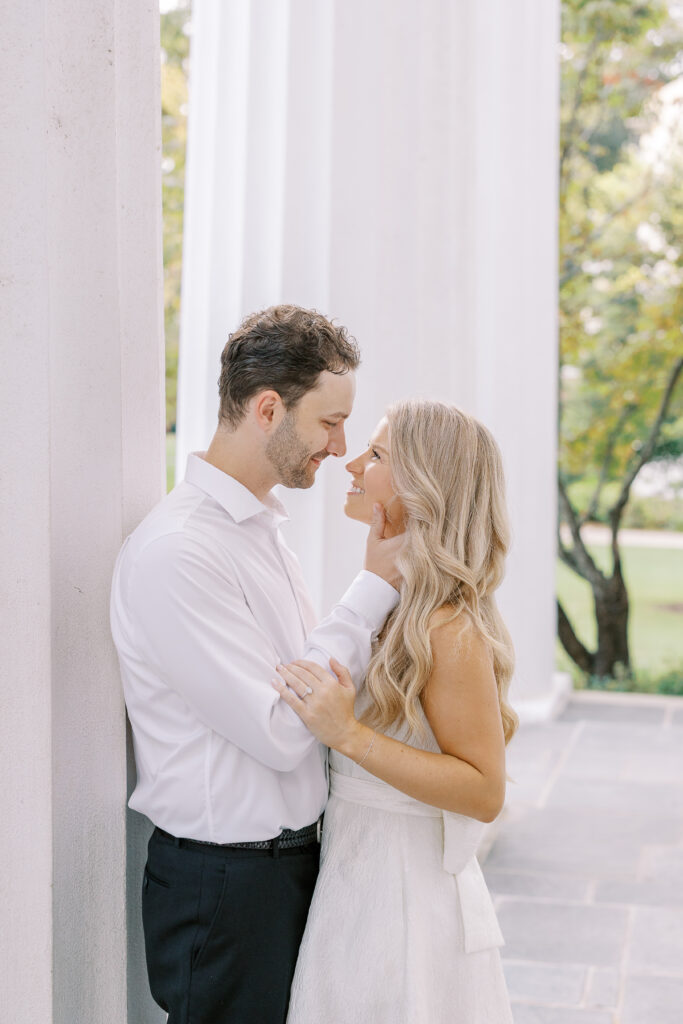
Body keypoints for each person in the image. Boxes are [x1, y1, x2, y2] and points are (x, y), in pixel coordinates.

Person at [110, 304, 404, 1024]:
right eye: (328, 423)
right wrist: (372, 590)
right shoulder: (179, 552)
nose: (338, 448)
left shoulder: (259, 533)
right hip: (227, 887)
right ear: (268, 409)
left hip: (284, 872)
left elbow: (313, 688)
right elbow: (278, 729)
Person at [273, 400, 518, 1024]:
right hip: (354, 887)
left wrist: (349, 736)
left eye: (377, 455)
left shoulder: (446, 627)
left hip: (406, 912)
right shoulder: (395, 606)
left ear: (423, 487)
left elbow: (484, 790)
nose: (352, 461)